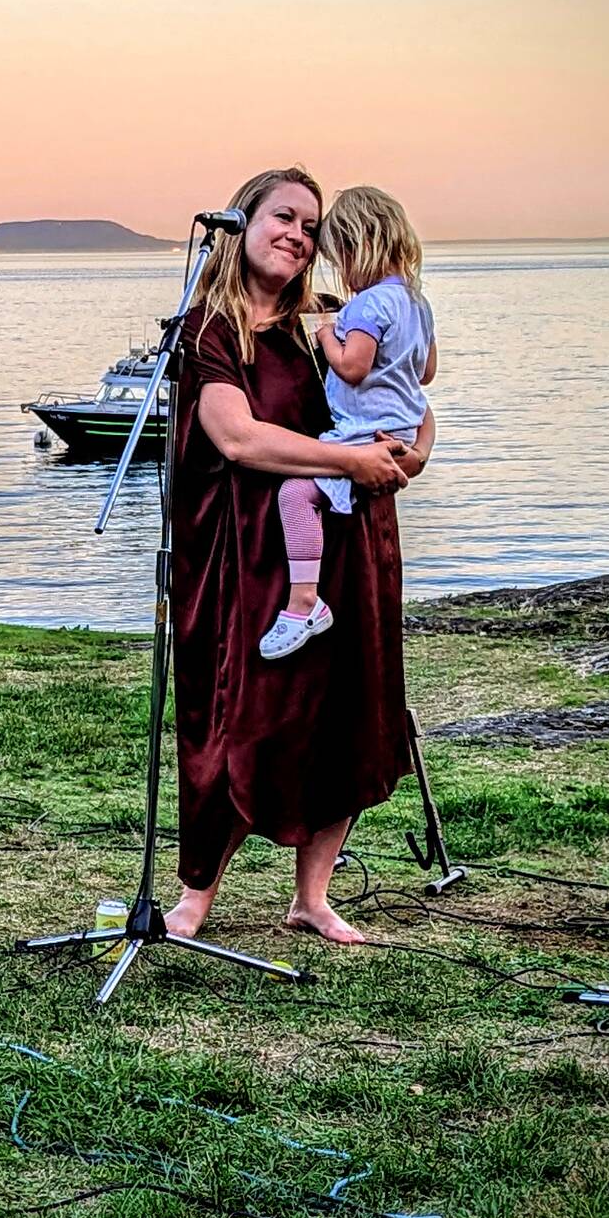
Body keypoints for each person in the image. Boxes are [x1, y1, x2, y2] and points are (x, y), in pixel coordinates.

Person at [165, 167, 434, 944]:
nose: (298, 233)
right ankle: (195, 895)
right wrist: (347, 460)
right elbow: (235, 436)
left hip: (346, 542)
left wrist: (411, 453)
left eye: (312, 225)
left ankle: (312, 896)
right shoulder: (210, 329)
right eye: (283, 215)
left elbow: (411, 400)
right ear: (240, 223)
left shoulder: (329, 324)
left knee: (350, 714)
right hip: (240, 553)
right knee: (236, 717)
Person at [263, 185, 436, 660]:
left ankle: (304, 602)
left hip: (362, 433)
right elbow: (425, 372)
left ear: (360, 247)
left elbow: (354, 367)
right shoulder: (418, 304)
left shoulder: (366, 303)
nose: (343, 274)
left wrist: (325, 335)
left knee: (296, 494)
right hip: (401, 427)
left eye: (341, 260)